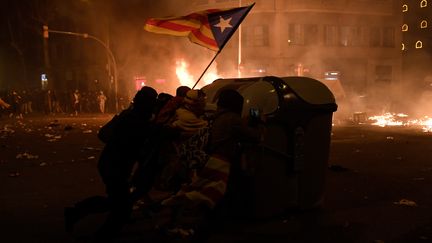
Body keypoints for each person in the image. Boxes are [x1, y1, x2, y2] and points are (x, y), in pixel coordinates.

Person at [158, 89, 263, 238]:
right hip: (221, 163)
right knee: (210, 195)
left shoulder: (215, 116)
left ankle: (185, 222)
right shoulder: (232, 119)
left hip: (208, 161)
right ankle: (193, 226)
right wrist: (259, 123)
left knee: (206, 193)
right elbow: (255, 136)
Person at [64, 86, 159, 238]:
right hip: (114, 166)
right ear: (146, 104)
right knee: (122, 208)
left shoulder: (130, 116)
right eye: (152, 102)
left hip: (114, 164)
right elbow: (106, 135)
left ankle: (75, 212)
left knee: (115, 202)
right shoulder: (133, 120)